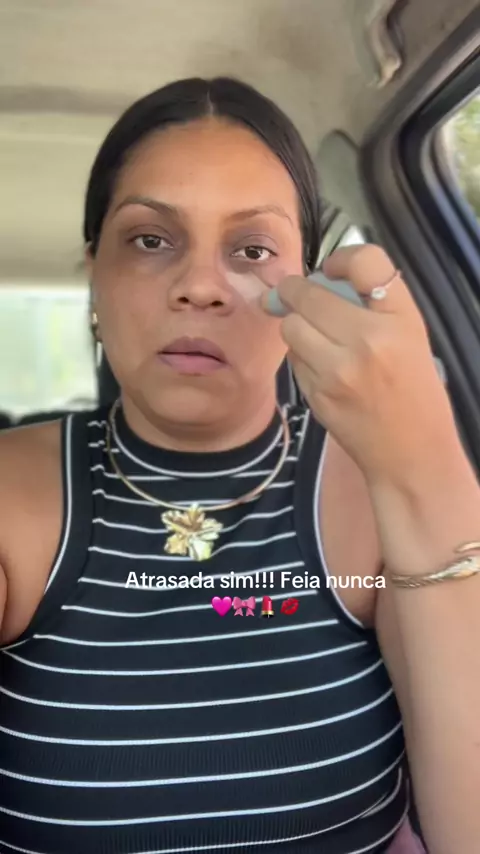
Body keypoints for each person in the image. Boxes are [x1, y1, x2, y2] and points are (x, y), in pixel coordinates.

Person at [0, 77, 479, 854]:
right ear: (94, 274)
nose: (200, 287)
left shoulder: (373, 485)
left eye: (252, 250)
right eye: (150, 240)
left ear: (309, 286)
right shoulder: (11, 491)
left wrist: (426, 461)